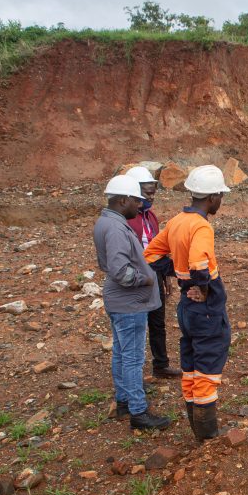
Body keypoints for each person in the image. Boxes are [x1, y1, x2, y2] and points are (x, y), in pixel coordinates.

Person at [144, 165, 231, 440]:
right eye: (220, 196)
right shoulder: (202, 226)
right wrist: (201, 287)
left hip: (186, 308)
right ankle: (207, 433)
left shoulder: (177, 221)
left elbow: (151, 255)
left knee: (191, 364)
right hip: (205, 310)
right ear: (213, 197)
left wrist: (179, 275)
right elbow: (199, 263)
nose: (220, 201)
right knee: (207, 364)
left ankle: (197, 425)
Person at [92, 175, 172, 431]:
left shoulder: (107, 222)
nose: (139, 207)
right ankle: (139, 412)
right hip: (129, 302)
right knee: (133, 358)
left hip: (121, 301)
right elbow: (120, 270)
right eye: (135, 202)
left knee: (122, 353)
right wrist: (145, 280)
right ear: (123, 200)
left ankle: (124, 401)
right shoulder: (116, 228)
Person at [124, 166, 181, 380]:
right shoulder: (127, 219)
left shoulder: (151, 216)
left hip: (155, 273)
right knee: (137, 324)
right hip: (136, 277)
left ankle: (161, 364)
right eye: (147, 192)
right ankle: (133, 374)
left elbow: (160, 248)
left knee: (157, 322)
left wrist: (165, 277)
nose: (151, 196)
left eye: (153, 191)